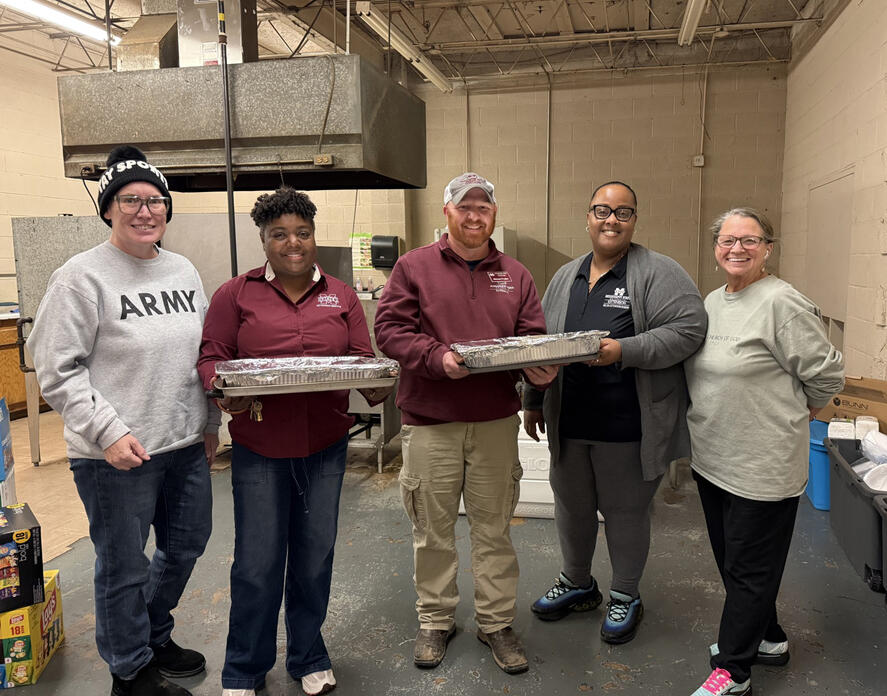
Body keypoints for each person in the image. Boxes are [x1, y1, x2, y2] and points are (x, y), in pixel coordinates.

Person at [27, 145, 217, 696]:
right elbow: (55, 367)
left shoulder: (181, 269)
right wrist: (108, 432)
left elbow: (202, 353)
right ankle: (129, 672)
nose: (144, 211)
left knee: (186, 545)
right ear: (108, 208)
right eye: (130, 200)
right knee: (122, 566)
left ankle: (151, 633)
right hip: (115, 456)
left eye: (155, 201)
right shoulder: (80, 277)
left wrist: (209, 424)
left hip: (182, 444)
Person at [198, 187, 391, 696]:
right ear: (263, 239)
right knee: (257, 562)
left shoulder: (341, 296)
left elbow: (360, 358)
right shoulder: (235, 295)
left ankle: (308, 656)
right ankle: (245, 667)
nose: (293, 243)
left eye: (302, 233)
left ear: (314, 236)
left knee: (314, 557)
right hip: (260, 448)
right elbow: (212, 357)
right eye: (279, 234)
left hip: (325, 446)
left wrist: (377, 382)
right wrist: (223, 390)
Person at [374, 172, 558, 675]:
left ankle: (496, 622)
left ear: (493, 214)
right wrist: (436, 357)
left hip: (494, 421)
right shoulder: (413, 267)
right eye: (464, 207)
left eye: (483, 207)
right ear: (447, 213)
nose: (474, 216)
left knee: (493, 529)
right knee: (432, 530)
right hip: (430, 421)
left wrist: (537, 368)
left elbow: (531, 335)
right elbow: (389, 330)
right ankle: (436, 619)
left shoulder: (515, 275)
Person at [522, 180, 707, 643]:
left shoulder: (659, 272)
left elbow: (689, 328)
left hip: (628, 424)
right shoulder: (566, 277)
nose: (611, 220)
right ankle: (577, 582)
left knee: (625, 513)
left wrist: (623, 350)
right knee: (572, 507)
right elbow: (542, 341)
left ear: (634, 221)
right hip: (570, 419)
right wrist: (533, 399)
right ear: (588, 218)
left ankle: (625, 594)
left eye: (623, 212)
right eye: (602, 211)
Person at [684, 208, 844, 696]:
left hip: (762, 464)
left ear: (767, 248)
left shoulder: (782, 302)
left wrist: (798, 413)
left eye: (750, 240)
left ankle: (734, 670)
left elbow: (827, 376)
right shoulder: (714, 301)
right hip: (713, 458)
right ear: (716, 247)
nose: (737, 248)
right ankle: (768, 638)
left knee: (750, 569)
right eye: (728, 240)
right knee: (734, 563)